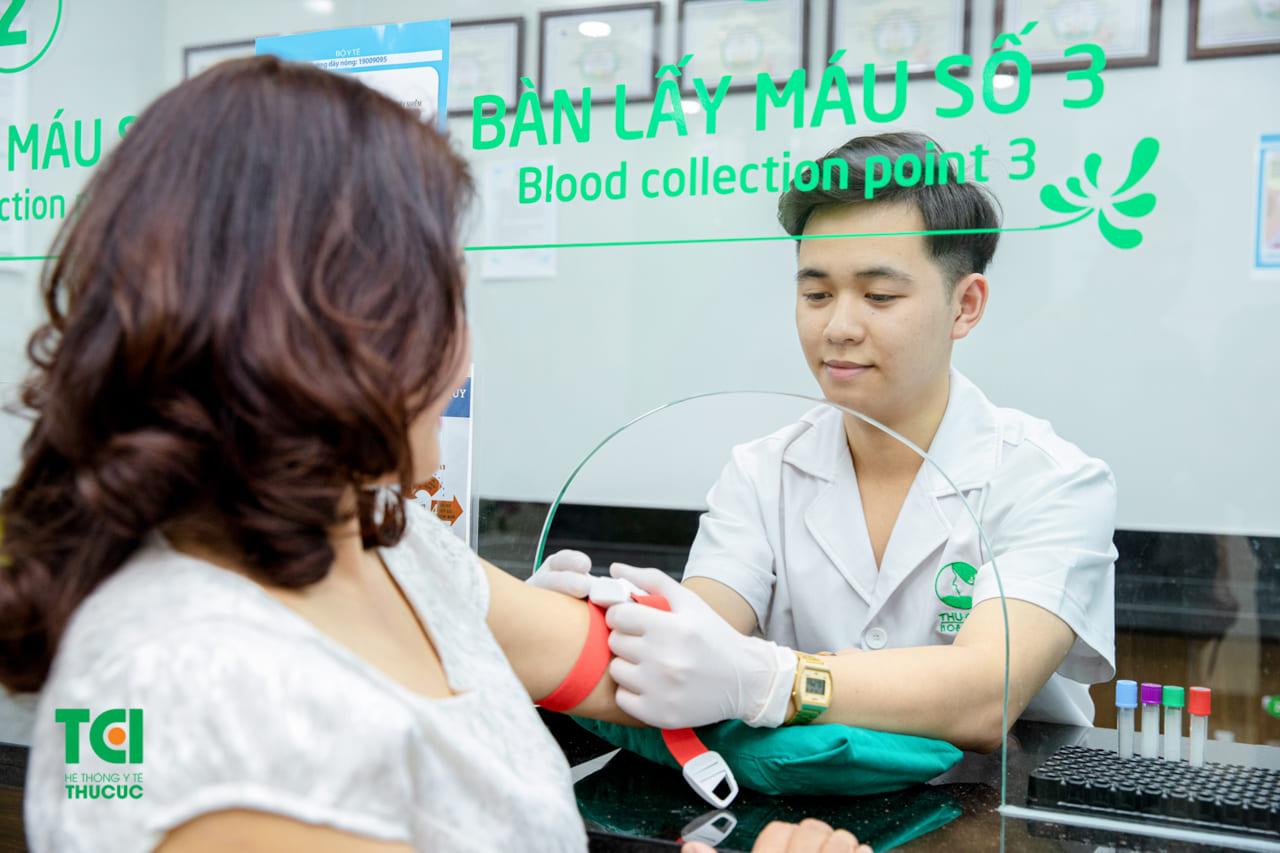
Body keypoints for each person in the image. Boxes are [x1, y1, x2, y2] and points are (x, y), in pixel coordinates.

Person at [0, 57, 869, 853]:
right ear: (341, 327)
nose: (463, 356)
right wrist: (779, 680)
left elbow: (631, 665)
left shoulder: (387, 543)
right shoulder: (191, 689)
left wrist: (761, 675)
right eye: (448, 294)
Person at [538, 132, 1117, 753]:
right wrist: (569, 628)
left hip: (989, 803)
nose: (838, 327)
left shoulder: (1050, 480)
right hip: (788, 801)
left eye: (879, 297)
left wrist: (772, 680)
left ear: (965, 305)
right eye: (816, 294)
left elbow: (983, 695)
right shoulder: (762, 474)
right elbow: (693, 635)